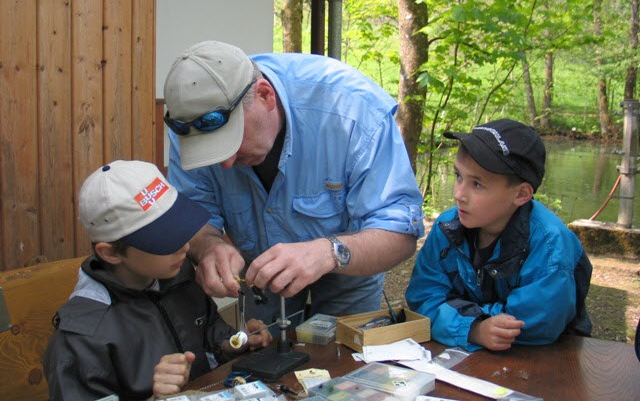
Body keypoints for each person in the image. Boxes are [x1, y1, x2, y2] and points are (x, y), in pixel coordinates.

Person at [163, 40, 424, 325]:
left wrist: (328, 252)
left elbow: (400, 235)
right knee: (265, 354)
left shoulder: (351, 110)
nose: (224, 164)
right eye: (211, 153)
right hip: (260, 274)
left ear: (265, 96)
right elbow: (194, 216)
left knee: (345, 358)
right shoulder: (189, 126)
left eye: (231, 142)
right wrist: (209, 246)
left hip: (350, 265)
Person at [44, 160, 271, 400]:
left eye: (181, 228)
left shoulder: (174, 273)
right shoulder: (80, 340)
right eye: (164, 239)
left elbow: (209, 339)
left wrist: (234, 344)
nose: (184, 246)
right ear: (110, 253)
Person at [405, 119, 592, 351]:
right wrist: (474, 328)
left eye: (477, 185)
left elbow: (532, 325)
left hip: (546, 361)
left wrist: (458, 318)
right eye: (458, 176)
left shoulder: (550, 245)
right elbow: (422, 298)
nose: (458, 194)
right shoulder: (448, 227)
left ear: (521, 194)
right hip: (466, 356)